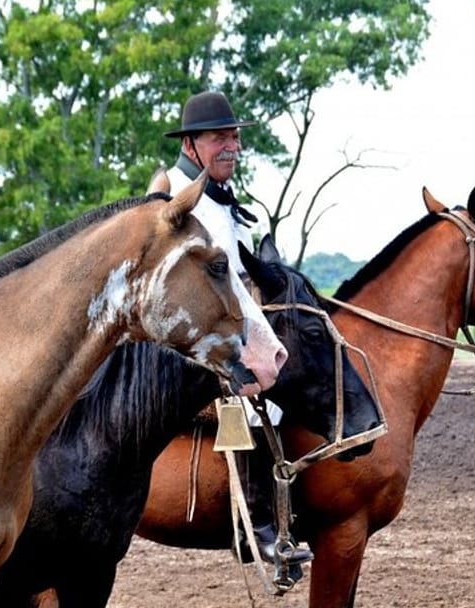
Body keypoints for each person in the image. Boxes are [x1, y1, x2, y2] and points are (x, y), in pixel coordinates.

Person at [161, 91, 311, 568]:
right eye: (219, 137)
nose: (232, 146)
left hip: (232, 328)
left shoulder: (226, 203)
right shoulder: (172, 198)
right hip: (190, 340)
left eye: (235, 136)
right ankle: (257, 528)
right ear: (191, 145)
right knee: (251, 401)